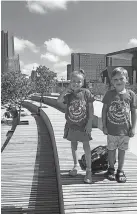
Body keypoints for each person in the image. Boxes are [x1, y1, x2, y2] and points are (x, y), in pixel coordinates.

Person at [57, 69, 94, 184]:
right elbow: (59, 101)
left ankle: (89, 170)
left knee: (86, 147)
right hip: (72, 125)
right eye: (73, 81)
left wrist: (89, 123)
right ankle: (75, 165)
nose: (76, 83)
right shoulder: (68, 96)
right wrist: (65, 91)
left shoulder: (86, 93)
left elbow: (91, 109)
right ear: (70, 82)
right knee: (74, 146)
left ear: (82, 83)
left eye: (79, 81)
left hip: (83, 126)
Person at [102, 67, 137, 183]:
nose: (118, 81)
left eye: (121, 78)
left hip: (125, 131)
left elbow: (133, 112)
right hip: (111, 130)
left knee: (122, 151)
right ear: (112, 81)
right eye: (115, 79)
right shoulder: (109, 94)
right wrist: (104, 126)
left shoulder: (131, 95)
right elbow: (104, 110)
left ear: (127, 79)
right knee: (111, 151)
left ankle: (120, 170)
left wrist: (133, 128)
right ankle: (111, 169)